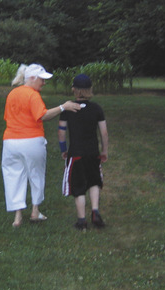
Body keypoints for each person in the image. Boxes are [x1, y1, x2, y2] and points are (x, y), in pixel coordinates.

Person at [2, 63, 81, 227]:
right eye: (42, 80)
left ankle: (18, 217)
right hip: (31, 140)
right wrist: (63, 107)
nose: (44, 83)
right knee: (36, 175)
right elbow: (43, 116)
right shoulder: (33, 95)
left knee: (14, 177)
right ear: (32, 78)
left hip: (10, 142)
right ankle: (35, 211)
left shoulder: (12, 94)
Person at [58, 74, 108, 231]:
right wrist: (104, 151)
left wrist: (63, 149)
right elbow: (104, 132)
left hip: (76, 153)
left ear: (74, 89)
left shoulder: (68, 109)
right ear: (90, 90)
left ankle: (81, 220)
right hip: (93, 153)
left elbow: (61, 132)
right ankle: (95, 211)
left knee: (78, 186)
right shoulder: (97, 108)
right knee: (94, 181)